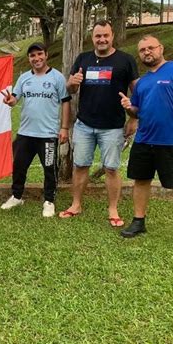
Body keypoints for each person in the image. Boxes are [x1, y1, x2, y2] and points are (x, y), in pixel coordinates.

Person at [59, 20, 139, 226]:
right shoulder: (83, 59)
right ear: (92, 38)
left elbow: (138, 92)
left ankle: (113, 209)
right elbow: (70, 89)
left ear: (112, 36)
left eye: (106, 35)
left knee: (111, 169)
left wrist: (133, 116)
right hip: (84, 125)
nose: (102, 39)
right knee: (80, 165)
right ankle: (76, 204)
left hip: (112, 127)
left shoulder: (125, 60)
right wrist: (72, 83)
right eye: (98, 36)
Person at [1, 42, 71, 217]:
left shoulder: (57, 77)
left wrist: (64, 127)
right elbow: (15, 99)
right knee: (18, 167)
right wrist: (11, 101)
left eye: (39, 54)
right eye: (32, 56)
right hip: (25, 133)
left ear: (46, 55)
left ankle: (49, 201)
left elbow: (65, 102)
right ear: (29, 59)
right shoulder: (24, 77)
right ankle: (17, 196)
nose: (36, 58)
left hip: (47, 135)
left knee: (49, 168)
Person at [119, 35, 173, 237]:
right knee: (141, 180)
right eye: (142, 50)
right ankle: (138, 221)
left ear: (160, 48)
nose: (147, 52)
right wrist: (128, 107)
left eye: (150, 48)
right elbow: (137, 111)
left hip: (170, 140)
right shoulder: (142, 82)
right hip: (144, 140)